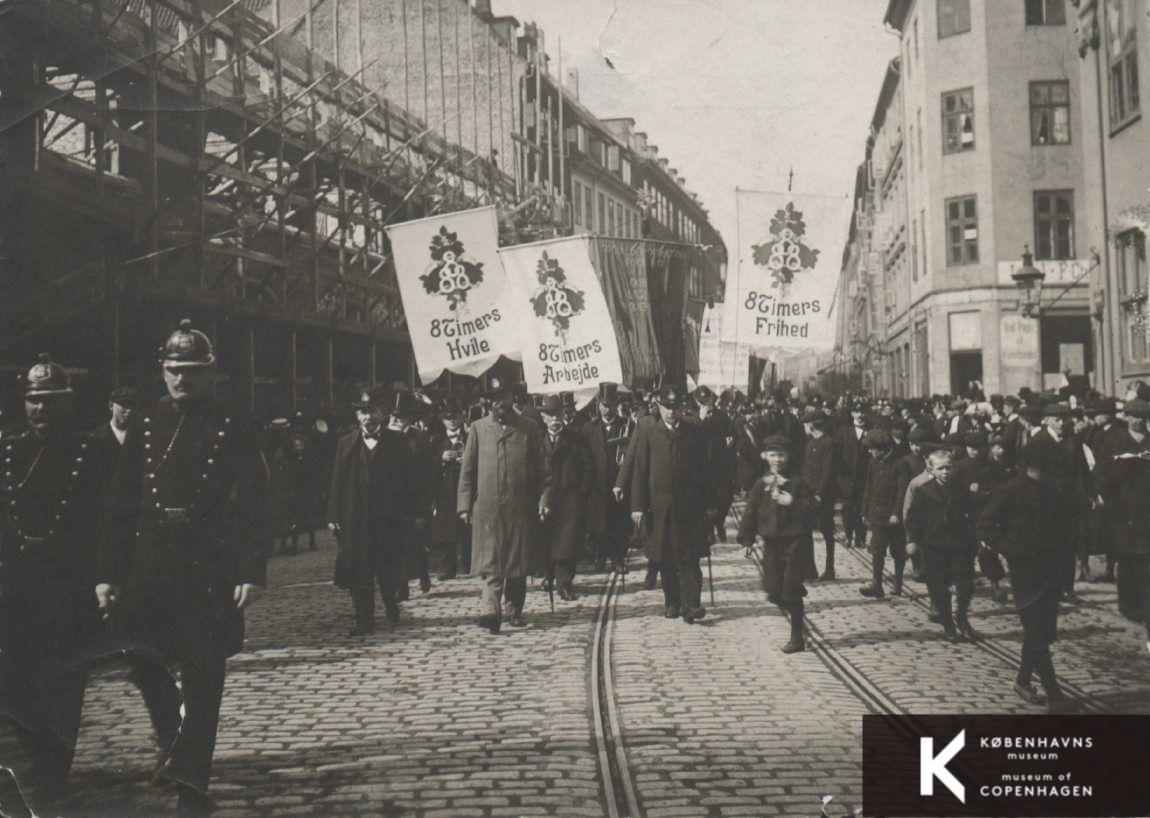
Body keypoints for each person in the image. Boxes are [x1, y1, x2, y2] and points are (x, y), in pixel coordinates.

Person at [97, 321, 270, 815]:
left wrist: (250, 570)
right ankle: (177, 743)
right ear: (163, 371)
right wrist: (108, 573)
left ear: (210, 374)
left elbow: (257, 504)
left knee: (203, 676)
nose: (181, 380)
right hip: (150, 568)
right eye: (174, 370)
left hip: (208, 569)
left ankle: (191, 786)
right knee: (143, 661)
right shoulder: (146, 425)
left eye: (192, 371)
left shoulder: (234, 424)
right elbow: (121, 505)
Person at [0, 356, 107, 813]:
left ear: (68, 404)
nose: (40, 409)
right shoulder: (6, 452)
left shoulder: (93, 453)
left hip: (70, 584)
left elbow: (107, 522)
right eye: (33, 401)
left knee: (65, 681)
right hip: (17, 585)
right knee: (17, 681)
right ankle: (37, 754)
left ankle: (54, 771)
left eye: (49, 401)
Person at [978, 441, 1079, 712]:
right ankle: (1055, 695)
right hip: (1025, 571)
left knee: (1043, 632)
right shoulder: (1009, 490)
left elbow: (1067, 526)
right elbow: (985, 525)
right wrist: (1011, 550)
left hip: (1052, 569)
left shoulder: (1056, 490)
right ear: (1036, 465)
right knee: (1036, 629)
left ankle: (1023, 681)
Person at [457, 378, 551, 633]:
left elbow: (543, 472)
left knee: (517, 562)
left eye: (505, 397)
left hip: (520, 508)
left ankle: (514, 608)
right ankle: (490, 610)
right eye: (496, 398)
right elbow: (467, 471)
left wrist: (544, 499)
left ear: (513, 398)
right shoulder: (477, 429)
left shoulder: (528, 429)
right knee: (492, 562)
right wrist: (464, 505)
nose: (501, 402)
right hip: (487, 510)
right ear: (489, 401)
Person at [328, 387, 419, 634]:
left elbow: (409, 480)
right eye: (363, 412)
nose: (368, 417)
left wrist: (412, 513)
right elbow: (337, 481)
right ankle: (363, 620)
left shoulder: (397, 442)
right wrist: (333, 516)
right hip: (356, 519)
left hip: (388, 518)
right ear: (357, 416)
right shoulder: (346, 444)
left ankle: (390, 601)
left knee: (388, 567)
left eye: (373, 411)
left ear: (382, 413)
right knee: (359, 570)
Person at [627, 384, 718, 623]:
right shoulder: (649, 431)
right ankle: (672, 602)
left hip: (689, 507)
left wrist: (710, 504)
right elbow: (640, 470)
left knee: (689, 557)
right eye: (666, 407)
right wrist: (637, 505)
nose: (671, 412)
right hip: (659, 507)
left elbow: (705, 471)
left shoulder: (693, 431)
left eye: (674, 407)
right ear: (658, 406)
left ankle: (692, 605)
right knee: (665, 557)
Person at [737, 435, 818, 653]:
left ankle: (796, 636)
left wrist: (794, 503)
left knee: (791, 589)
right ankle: (790, 611)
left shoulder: (798, 483)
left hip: (796, 543)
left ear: (788, 457)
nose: (777, 460)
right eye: (773, 455)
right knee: (773, 590)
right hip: (772, 543)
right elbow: (751, 512)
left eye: (781, 455)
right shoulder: (761, 484)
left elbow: (812, 510)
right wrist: (747, 538)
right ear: (765, 457)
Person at [905, 450, 979, 642]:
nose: (946, 472)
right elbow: (914, 519)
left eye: (948, 467)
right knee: (939, 586)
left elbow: (973, 514)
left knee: (966, 584)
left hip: (960, 544)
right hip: (934, 545)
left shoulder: (961, 490)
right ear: (931, 469)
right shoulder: (924, 491)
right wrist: (912, 540)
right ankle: (948, 623)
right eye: (941, 468)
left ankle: (962, 616)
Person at [539, 395, 592, 600]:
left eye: (557, 414)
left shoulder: (575, 439)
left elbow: (589, 467)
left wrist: (581, 493)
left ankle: (565, 582)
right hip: (546, 498)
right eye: (550, 415)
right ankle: (548, 576)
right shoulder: (537, 441)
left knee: (568, 543)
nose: (554, 419)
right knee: (546, 539)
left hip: (570, 498)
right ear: (543, 417)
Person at [583, 382, 633, 574]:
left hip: (619, 484)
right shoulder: (589, 428)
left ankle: (618, 559)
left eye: (611, 404)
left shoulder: (626, 426)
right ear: (598, 404)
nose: (607, 409)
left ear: (616, 405)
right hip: (597, 485)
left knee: (618, 523)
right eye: (604, 404)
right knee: (599, 524)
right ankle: (600, 556)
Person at [859, 429, 907, 600]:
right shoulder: (874, 463)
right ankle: (877, 584)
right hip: (877, 515)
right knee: (877, 551)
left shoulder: (900, 464)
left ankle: (898, 584)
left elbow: (902, 492)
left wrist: (897, 513)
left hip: (893, 518)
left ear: (882, 448)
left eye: (872, 449)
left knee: (898, 551)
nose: (870, 452)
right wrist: (865, 510)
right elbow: (868, 488)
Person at [430, 400, 470, 580]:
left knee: (468, 527)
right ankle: (448, 567)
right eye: (448, 418)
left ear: (462, 418)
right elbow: (428, 465)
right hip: (445, 490)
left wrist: (466, 460)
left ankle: (470, 565)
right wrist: (441, 458)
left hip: (465, 487)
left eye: (455, 417)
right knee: (446, 530)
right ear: (443, 421)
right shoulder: (436, 440)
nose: (452, 420)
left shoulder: (469, 437)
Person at [799, 408, 838, 580]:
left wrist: (820, 494)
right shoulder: (810, 443)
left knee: (826, 531)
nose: (804, 428)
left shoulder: (829, 443)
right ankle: (810, 568)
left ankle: (830, 568)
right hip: (808, 494)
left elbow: (828, 471)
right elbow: (806, 470)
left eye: (805, 425)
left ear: (811, 425)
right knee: (805, 530)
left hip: (823, 496)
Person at [834, 401, 871, 549]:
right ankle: (848, 536)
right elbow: (836, 453)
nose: (860, 415)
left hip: (864, 478)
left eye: (862, 412)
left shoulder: (871, 430)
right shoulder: (843, 431)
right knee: (848, 508)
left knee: (862, 508)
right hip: (846, 478)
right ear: (852, 414)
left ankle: (860, 538)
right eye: (856, 412)